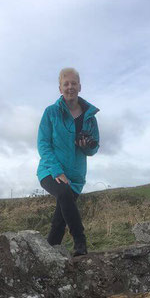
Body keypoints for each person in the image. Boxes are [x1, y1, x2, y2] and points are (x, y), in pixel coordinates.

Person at [36, 67, 100, 256]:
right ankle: (80, 240)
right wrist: (57, 171)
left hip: (76, 176)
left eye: (73, 83)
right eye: (66, 84)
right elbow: (43, 144)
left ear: (80, 86)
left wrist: (86, 146)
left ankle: (48, 258)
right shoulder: (51, 113)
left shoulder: (90, 118)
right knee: (63, 193)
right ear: (60, 88)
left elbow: (94, 148)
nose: (70, 87)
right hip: (49, 170)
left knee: (59, 222)